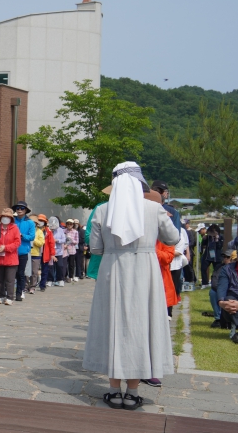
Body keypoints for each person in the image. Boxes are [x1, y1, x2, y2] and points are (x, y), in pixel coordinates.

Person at [83, 162, 180, 411]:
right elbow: (173, 238)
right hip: (144, 271)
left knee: (112, 325)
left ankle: (114, 390)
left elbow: (96, 248)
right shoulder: (154, 208)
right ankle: (133, 391)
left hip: (113, 270)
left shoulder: (103, 210)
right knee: (141, 324)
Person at [0, 208, 21, 305]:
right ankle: (1, 296)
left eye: (7, 217)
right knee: (0, 280)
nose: (5, 218)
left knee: (10, 280)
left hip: (11, 259)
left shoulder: (15, 228)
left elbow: (17, 242)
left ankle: (10, 297)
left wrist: (5, 248)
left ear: (11, 218)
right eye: (4, 216)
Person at [13, 201, 35, 300]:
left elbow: (32, 236)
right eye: (18, 208)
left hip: (23, 251)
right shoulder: (12, 221)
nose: (19, 210)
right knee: (12, 273)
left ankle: (20, 291)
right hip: (12, 251)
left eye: (22, 208)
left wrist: (22, 235)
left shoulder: (30, 222)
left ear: (26, 210)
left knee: (21, 273)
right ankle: (8, 291)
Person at [200, 224, 224, 289]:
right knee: (203, 268)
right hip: (208, 255)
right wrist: (204, 238)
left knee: (216, 270)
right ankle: (204, 283)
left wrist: (217, 240)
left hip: (217, 256)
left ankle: (215, 282)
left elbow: (220, 246)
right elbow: (203, 245)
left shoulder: (221, 237)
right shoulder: (208, 237)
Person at [37, 214, 55, 291]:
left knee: (44, 270)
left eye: (42, 221)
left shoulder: (48, 231)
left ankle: (42, 285)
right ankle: (32, 285)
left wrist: (53, 254)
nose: (40, 222)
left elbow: (52, 243)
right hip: (36, 252)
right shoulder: (34, 229)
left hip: (45, 253)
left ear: (45, 222)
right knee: (34, 270)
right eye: (39, 220)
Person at [28, 215, 45, 294]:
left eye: (34, 222)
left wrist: (33, 239)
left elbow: (41, 243)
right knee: (26, 272)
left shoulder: (39, 231)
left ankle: (33, 287)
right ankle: (25, 286)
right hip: (27, 253)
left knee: (34, 272)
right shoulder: (26, 230)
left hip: (36, 254)